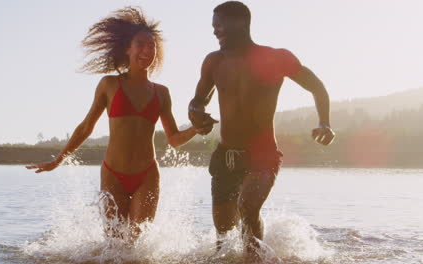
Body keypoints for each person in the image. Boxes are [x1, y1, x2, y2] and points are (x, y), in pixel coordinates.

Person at [26, 7, 213, 241]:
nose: (147, 51)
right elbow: (86, 127)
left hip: (147, 175)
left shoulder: (162, 93)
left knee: (136, 244)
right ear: (128, 48)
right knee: (115, 244)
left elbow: (174, 139)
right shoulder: (109, 85)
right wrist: (58, 160)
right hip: (113, 174)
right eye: (141, 44)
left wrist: (196, 129)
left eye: (152, 46)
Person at [188, 1, 335, 260]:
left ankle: (255, 259)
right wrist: (196, 114)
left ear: (240, 23)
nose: (215, 32)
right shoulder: (214, 62)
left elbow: (316, 86)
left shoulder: (276, 58)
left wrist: (324, 122)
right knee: (223, 231)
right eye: (214, 27)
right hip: (225, 156)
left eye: (219, 26)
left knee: (247, 207)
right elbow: (197, 100)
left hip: (263, 153)